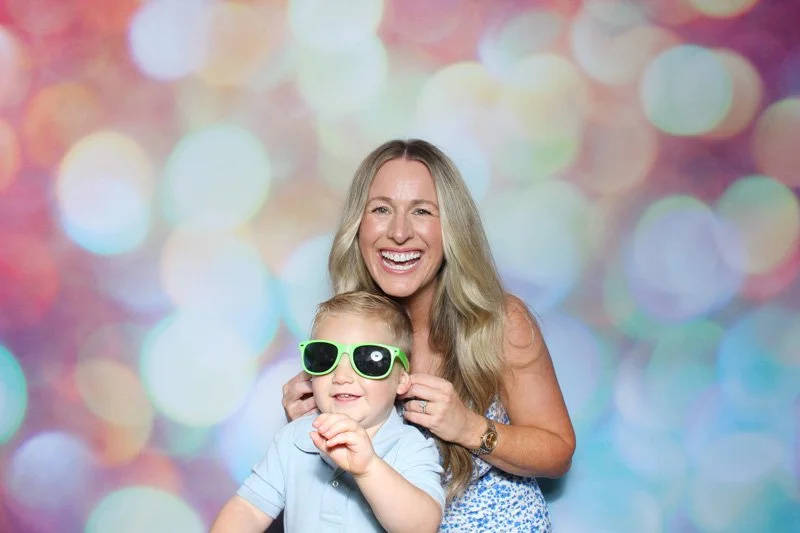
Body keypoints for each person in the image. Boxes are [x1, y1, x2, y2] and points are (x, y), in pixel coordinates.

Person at [281, 138, 576, 531]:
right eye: (381, 209)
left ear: (451, 227)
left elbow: (558, 452)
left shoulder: (499, 322)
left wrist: (469, 428)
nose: (399, 233)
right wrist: (305, 432)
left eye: (421, 211)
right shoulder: (341, 334)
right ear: (358, 225)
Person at [212, 291, 445, 532]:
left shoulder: (410, 446)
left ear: (401, 381)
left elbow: (421, 526)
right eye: (325, 357)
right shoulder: (293, 439)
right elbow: (248, 509)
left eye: (368, 360)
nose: (342, 377)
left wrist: (369, 468)